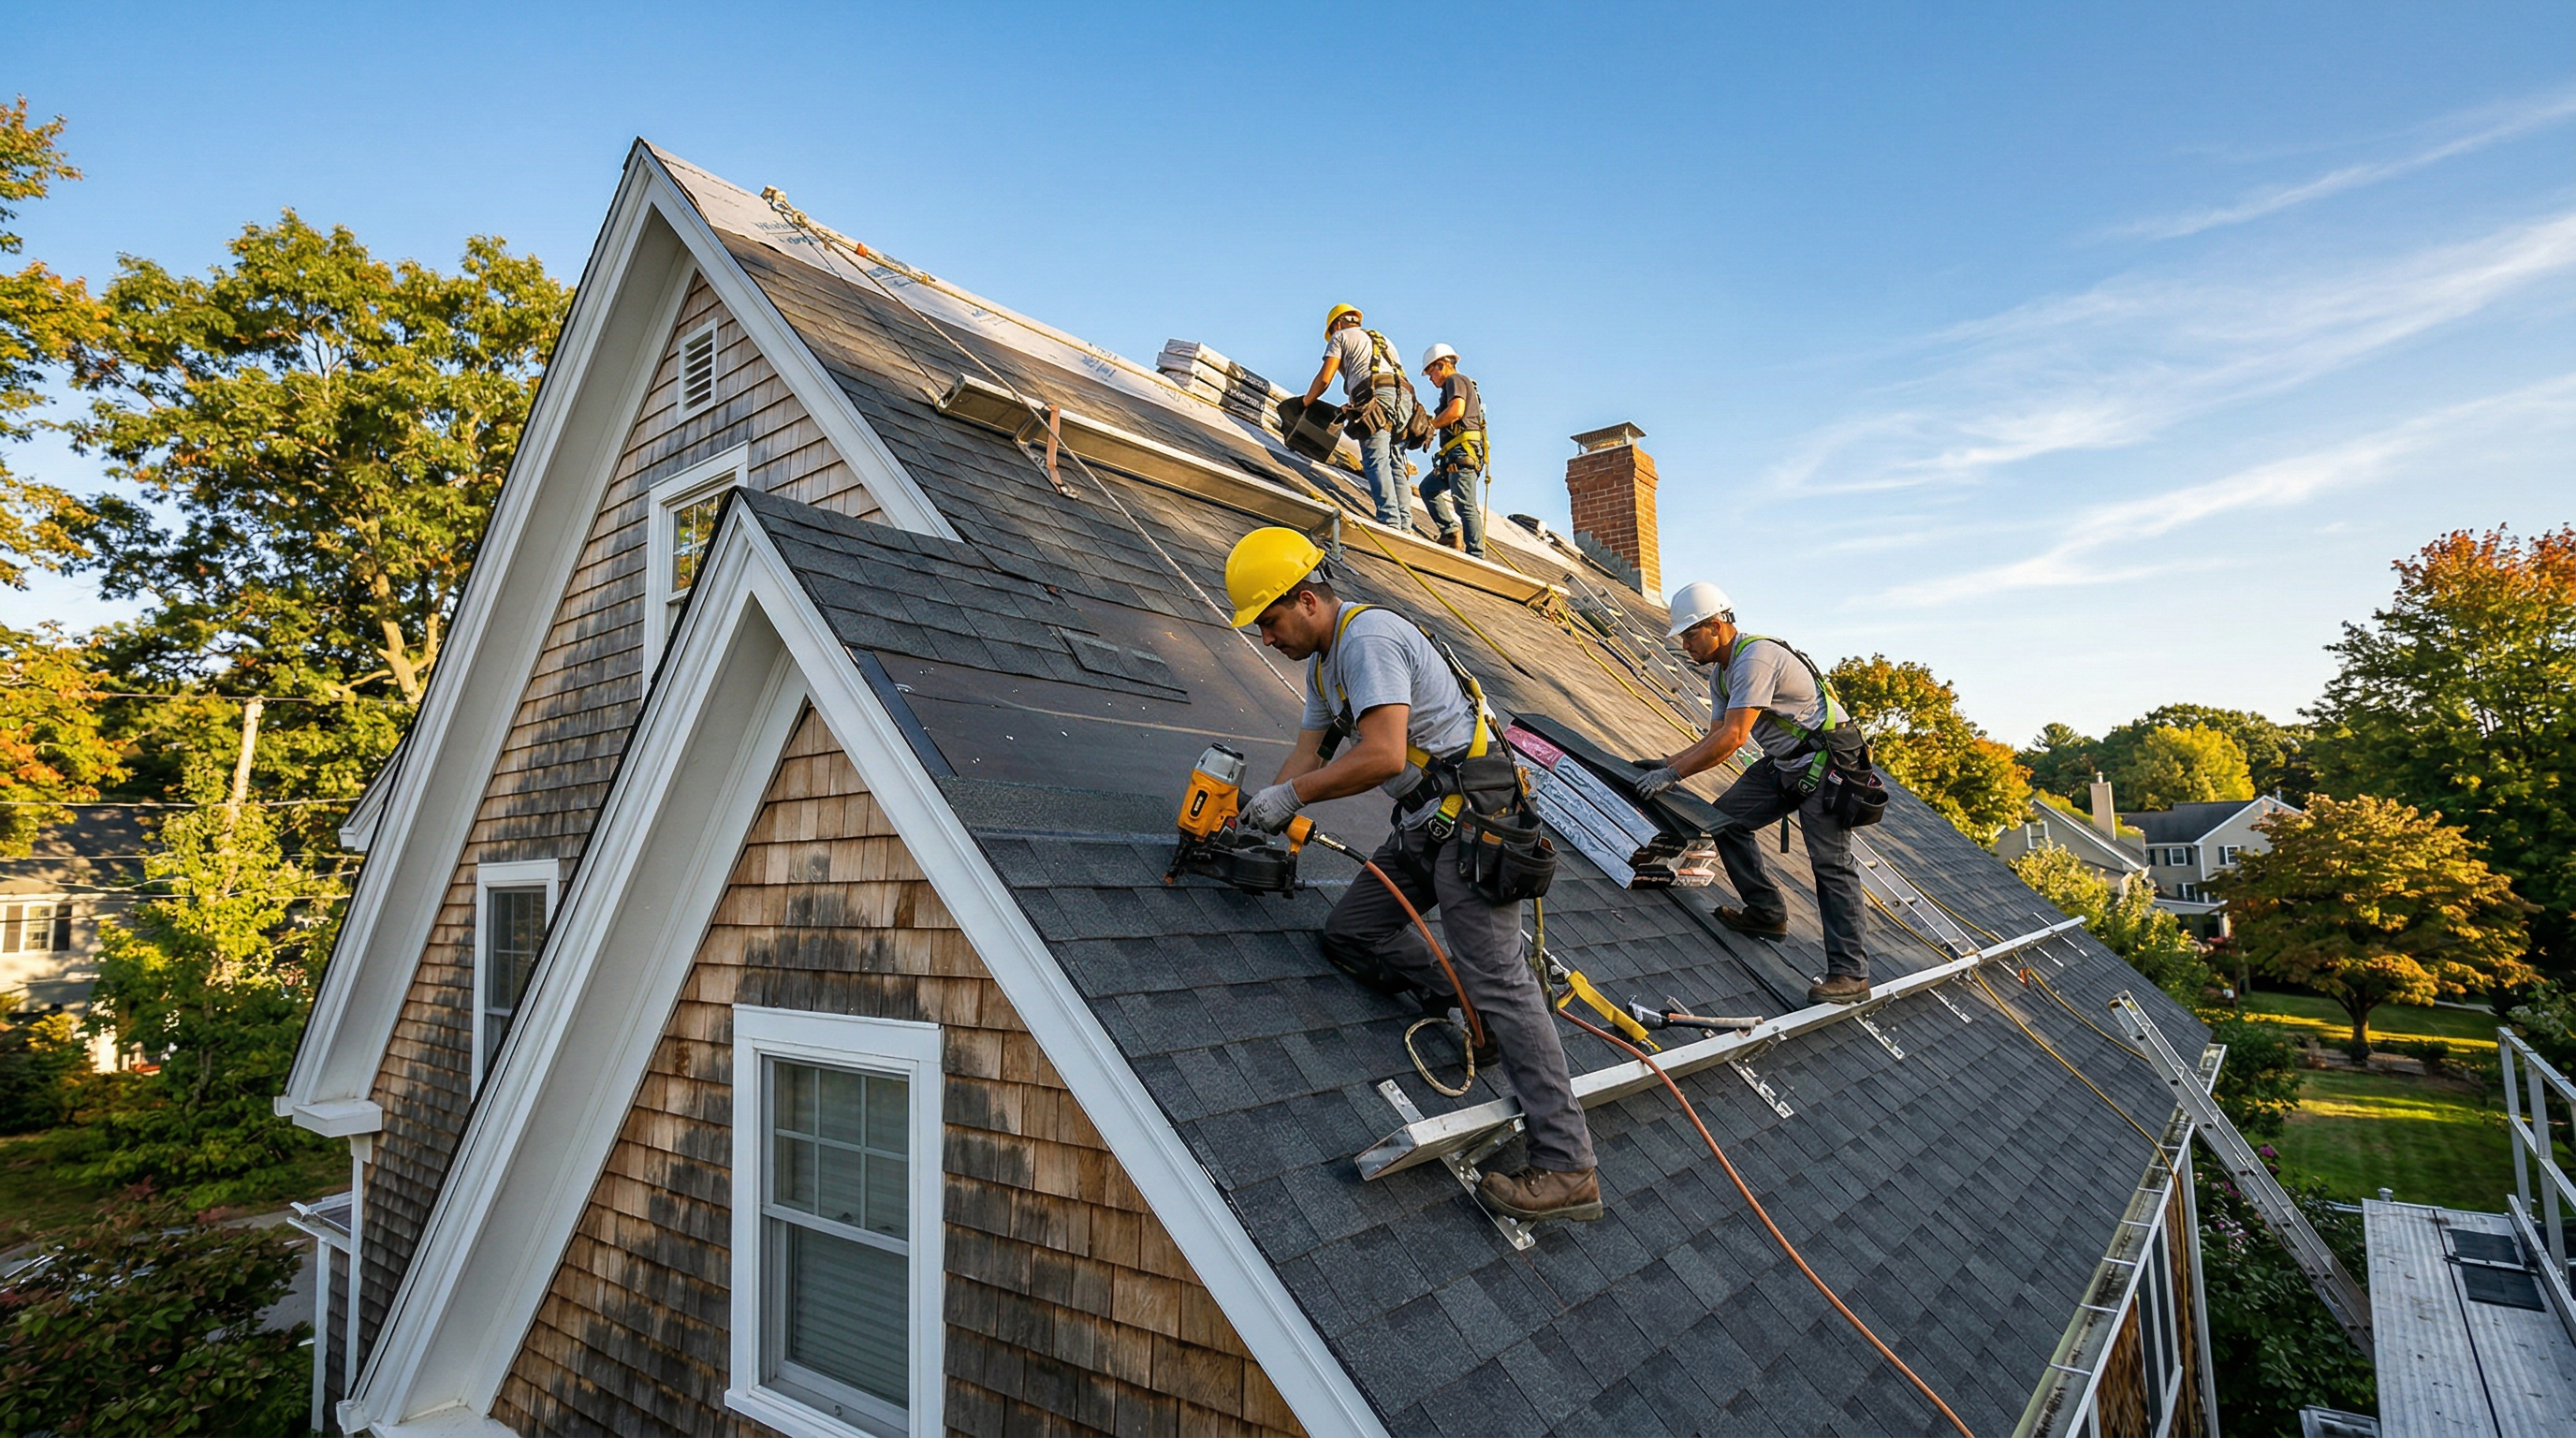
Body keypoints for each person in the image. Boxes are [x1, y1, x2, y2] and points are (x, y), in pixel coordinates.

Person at [1223, 525, 1602, 1223]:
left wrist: (1291, 799)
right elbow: (1308, 755)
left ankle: (1568, 1163)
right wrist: (1257, 816)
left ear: (1307, 600)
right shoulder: (1324, 668)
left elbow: (1382, 756)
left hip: (1475, 826)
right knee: (1352, 933)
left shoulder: (1367, 640)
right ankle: (1476, 1008)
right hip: (1426, 828)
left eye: (1269, 621)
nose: (1266, 638)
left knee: (1502, 978)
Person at [1634, 580, 1874, 1005]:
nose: (1685, 645)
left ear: (1716, 626)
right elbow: (1715, 737)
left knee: (1831, 865)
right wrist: (1667, 762)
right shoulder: (1721, 674)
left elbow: (1733, 739)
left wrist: (1673, 775)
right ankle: (1766, 913)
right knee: (1724, 821)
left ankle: (1851, 975)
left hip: (1827, 763)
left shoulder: (1755, 659)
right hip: (1786, 763)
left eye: (1690, 634)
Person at [1302, 304, 1417, 531]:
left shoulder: (1340, 336)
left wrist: (1304, 403)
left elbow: (1325, 378)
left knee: (1376, 459)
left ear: (1336, 325)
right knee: (1395, 461)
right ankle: (1405, 525)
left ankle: (1390, 522)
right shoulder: (1382, 340)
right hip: (1406, 400)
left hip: (1377, 395)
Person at [1416, 345, 1488, 556]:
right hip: (1453, 455)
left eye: (1431, 372)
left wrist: (1430, 427)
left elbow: (1456, 411)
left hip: (1462, 454)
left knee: (1465, 505)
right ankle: (1449, 532)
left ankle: (1476, 555)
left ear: (1442, 365)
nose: (1430, 378)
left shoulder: (1454, 380)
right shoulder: (1456, 384)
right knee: (1428, 489)